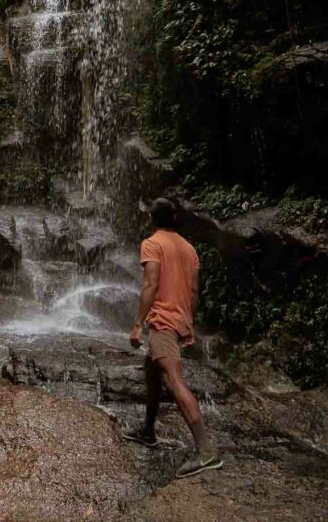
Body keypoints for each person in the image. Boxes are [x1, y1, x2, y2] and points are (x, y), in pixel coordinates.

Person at [123, 197, 223, 479]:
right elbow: (193, 291)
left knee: (173, 378)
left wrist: (138, 324)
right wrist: (188, 323)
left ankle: (206, 450)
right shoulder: (189, 248)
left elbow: (151, 284)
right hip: (179, 319)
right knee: (152, 374)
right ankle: (148, 431)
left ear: (152, 219)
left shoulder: (152, 243)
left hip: (163, 321)